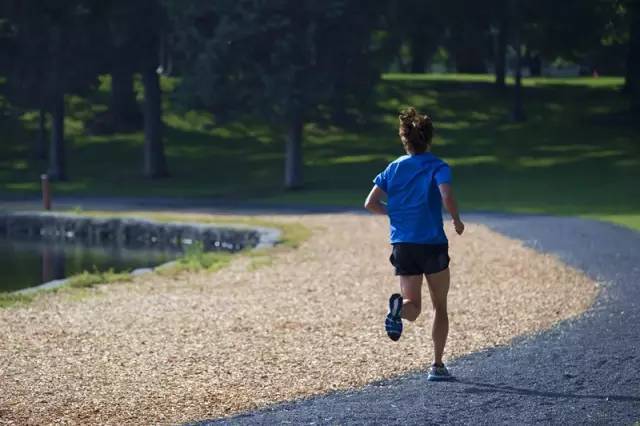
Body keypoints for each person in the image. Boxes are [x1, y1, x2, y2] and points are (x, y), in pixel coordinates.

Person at [364, 107, 464, 381]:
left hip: (403, 244)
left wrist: (393, 214)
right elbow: (446, 195)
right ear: (429, 139)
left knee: (413, 306)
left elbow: (370, 203)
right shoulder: (438, 166)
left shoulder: (393, 168)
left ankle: (396, 310)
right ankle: (437, 366)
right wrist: (456, 220)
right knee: (439, 307)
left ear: (405, 140)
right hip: (432, 243)